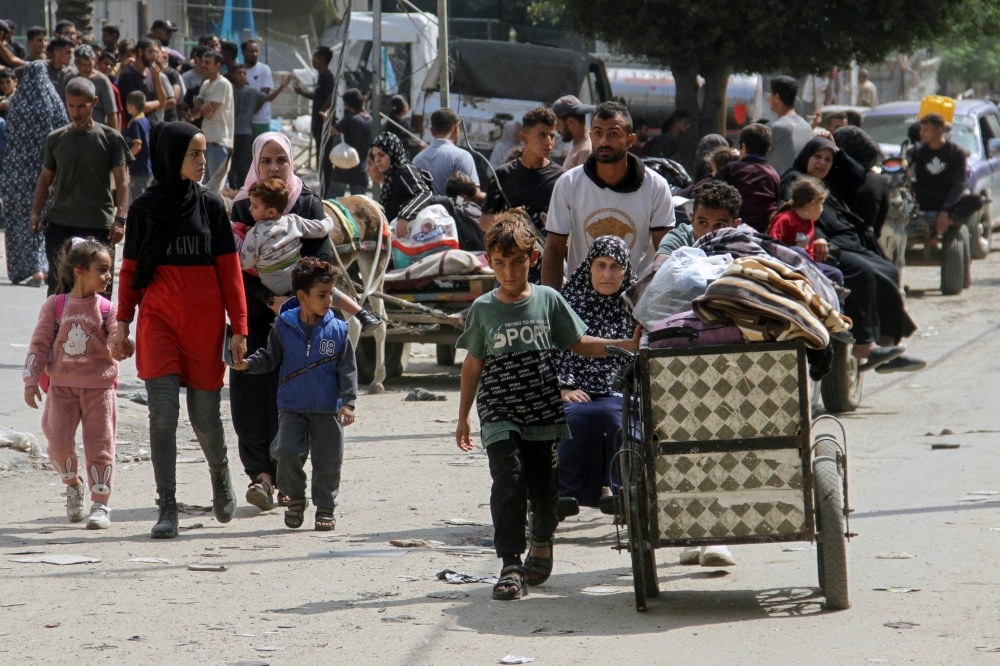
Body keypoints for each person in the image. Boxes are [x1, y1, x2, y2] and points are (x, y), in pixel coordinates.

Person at [455, 213, 637, 601]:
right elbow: (473, 364)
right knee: (509, 481)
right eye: (500, 263)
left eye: (517, 262)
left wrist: (626, 345)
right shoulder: (483, 310)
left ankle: (541, 539)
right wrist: (463, 417)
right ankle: (509, 564)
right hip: (500, 412)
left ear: (533, 258)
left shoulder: (548, 300)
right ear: (489, 261)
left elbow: (579, 342)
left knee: (545, 490)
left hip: (542, 410)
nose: (509, 272)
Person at [229, 131, 379, 510]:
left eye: (281, 159)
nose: (274, 167)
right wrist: (264, 302)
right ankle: (259, 475)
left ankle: (285, 476)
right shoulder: (243, 207)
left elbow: (319, 265)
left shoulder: (308, 203)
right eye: (266, 161)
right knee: (248, 393)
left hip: (299, 318)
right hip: (251, 313)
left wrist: (291, 304)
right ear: (255, 164)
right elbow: (236, 268)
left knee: (290, 396)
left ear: (292, 161)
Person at [114, 121, 247, 539]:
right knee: (163, 416)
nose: (203, 161)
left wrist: (239, 328)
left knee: (206, 418)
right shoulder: (144, 208)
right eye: (195, 153)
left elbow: (230, 273)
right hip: (159, 323)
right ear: (173, 156)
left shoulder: (210, 206)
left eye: (204, 152)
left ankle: (220, 472)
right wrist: (122, 323)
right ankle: (167, 506)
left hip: (204, 327)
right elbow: (131, 271)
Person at [236, 258, 358, 531]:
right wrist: (248, 364)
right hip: (291, 407)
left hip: (328, 409)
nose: (329, 301)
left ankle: (325, 508)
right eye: (322, 295)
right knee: (287, 453)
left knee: (328, 461)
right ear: (302, 296)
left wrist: (348, 403)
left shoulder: (339, 330)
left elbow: (347, 370)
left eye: (331, 294)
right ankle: (295, 500)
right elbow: (269, 358)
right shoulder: (283, 327)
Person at [782, 137, 920, 372]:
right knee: (862, 271)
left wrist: (839, 151)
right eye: (817, 157)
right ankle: (865, 346)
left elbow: (860, 176)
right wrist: (818, 237)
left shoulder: (825, 183)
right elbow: (795, 217)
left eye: (828, 159)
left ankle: (886, 343)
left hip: (847, 240)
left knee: (888, 269)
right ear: (807, 156)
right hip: (822, 244)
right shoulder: (794, 180)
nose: (822, 163)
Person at [23, 238, 127, 530]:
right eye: (102, 270)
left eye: (110, 271)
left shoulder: (107, 308)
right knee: (57, 444)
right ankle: (73, 484)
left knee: (101, 446)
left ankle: (100, 504)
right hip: (61, 389)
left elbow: (115, 339)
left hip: (100, 390)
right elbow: (39, 344)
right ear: (80, 271)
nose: (108, 276)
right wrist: (31, 380)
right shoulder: (55, 306)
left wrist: (123, 344)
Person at [543, 101, 674, 286]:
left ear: (630, 140)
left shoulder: (656, 186)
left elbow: (665, 252)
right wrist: (553, 306)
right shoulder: (568, 183)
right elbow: (554, 250)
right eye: (598, 133)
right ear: (591, 136)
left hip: (635, 299)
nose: (604, 141)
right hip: (581, 298)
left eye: (613, 134)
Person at [555, 236, 637, 508]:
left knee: (616, 419)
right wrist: (563, 387)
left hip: (620, 389)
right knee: (577, 417)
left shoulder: (636, 306)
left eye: (615, 267)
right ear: (588, 267)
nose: (607, 274)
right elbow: (555, 349)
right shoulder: (567, 302)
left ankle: (622, 493)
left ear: (625, 270)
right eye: (600, 265)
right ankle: (568, 494)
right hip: (577, 387)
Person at [30, 77, 132, 296]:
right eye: (71, 105)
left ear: (94, 102)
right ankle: (56, 331)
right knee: (59, 289)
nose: (75, 112)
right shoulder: (55, 139)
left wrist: (120, 218)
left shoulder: (110, 138)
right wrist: (35, 212)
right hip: (61, 224)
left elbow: (123, 181)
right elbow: (45, 180)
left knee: (99, 291)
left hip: (98, 226)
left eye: (81, 106)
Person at [1, 61, 67, 287]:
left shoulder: (17, 101)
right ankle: (45, 267)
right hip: (45, 169)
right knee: (41, 217)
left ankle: (26, 269)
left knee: (19, 220)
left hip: (16, 171)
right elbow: (64, 130)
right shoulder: (52, 100)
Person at [239, 177, 335, 296]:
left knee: (286, 309)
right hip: (298, 274)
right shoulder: (293, 221)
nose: (250, 209)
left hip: (272, 282)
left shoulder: (254, 233)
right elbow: (321, 229)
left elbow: (245, 263)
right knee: (324, 291)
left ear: (271, 212)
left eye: (254, 206)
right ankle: (359, 311)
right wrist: (329, 220)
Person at [481, 107, 565, 240]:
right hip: (512, 255)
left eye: (552, 136)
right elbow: (484, 222)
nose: (548, 142)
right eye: (542, 135)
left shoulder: (561, 178)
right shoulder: (503, 174)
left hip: (547, 256)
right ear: (524, 137)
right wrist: (505, 218)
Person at [655, 180, 745, 264]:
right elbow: (661, 263)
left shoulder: (745, 244)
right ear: (692, 220)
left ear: (735, 225)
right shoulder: (680, 239)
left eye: (719, 225)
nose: (708, 233)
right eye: (703, 223)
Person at [230, 64, 290, 187]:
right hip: (230, 133)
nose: (242, 76)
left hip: (244, 132)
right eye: (238, 73)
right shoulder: (229, 89)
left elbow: (268, 98)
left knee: (243, 164)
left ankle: (242, 188)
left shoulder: (251, 92)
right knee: (230, 165)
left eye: (244, 73)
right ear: (233, 75)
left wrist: (281, 87)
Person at [716, 123, 780, 232]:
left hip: (732, 229)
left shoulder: (731, 169)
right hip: (762, 232)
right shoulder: (773, 174)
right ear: (768, 150)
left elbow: (714, 193)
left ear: (743, 147)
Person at [911, 113, 968, 236]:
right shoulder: (917, 150)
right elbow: (905, 163)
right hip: (924, 197)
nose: (921, 133)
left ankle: (944, 222)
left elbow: (960, 183)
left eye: (926, 130)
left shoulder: (955, 153)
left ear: (938, 132)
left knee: (976, 201)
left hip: (945, 198)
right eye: (921, 129)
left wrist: (945, 211)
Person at [413, 107, 482, 200]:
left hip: (424, 213)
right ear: (456, 128)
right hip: (453, 214)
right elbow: (475, 196)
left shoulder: (417, 159)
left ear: (432, 131)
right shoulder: (461, 156)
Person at [371, 132, 434, 231]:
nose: (377, 160)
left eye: (381, 155)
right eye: (374, 156)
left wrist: (405, 217)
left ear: (392, 153)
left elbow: (424, 193)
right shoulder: (390, 175)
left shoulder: (404, 169)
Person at [293, 45, 335, 193]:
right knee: (320, 159)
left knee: (325, 160)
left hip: (323, 125)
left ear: (322, 60)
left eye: (315, 57)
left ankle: (327, 191)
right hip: (318, 125)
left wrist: (322, 112)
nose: (312, 60)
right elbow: (318, 95)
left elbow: (331, 96)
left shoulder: (328, 77)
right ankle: (324, 188)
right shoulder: (321, 77)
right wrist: (302, 93)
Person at [194, 49, 234, 186]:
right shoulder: (206, 84)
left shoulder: (222, 83)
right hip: (207, 140)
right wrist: (200, 106)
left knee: (218, 185)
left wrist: (201, 107)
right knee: (205, 184)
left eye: (207, 63)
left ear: (217, 66)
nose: (203, 65)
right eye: (203, 62)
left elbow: (209, 110)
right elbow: (197, 106)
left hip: (218, 141)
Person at [328, 88, 372, 197]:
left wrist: (326, 120)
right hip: (361, 169)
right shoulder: (371, 120)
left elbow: (330, 133)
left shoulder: (350, 119)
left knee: (332, 203)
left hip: (344, 166)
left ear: (349, 106)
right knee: (359, 207)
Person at [768, 175, 827, 258]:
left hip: (804, 263)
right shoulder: (785, 219)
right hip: (785, 261)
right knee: (798, 250)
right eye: (821, 204)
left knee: (834, 271)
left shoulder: (809, 222)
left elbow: (809, 254)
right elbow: (772, 244)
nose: (822, 209)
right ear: (812, 204)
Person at [767, 75, 814, 176]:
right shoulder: (807, 127)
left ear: (777, 97)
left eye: (770, 94)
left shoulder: (775, 128)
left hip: (778, 186)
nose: (768, 98)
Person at [116, 38, 164, 125]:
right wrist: (157, 103)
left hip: (153, 126)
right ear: (140, 52)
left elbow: (163, 102)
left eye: (156, 53)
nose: (154, 56)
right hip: (136, 128)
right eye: (151, 52)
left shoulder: (151, 72)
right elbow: (136, 107)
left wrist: (157, 78)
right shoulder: (128, 75)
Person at [73, 45, 117, 129]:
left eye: (89, 64)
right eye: (83, 65)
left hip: (95, 131)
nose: (87, 68)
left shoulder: (102, 81)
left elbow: (111, 113)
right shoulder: (71, 78)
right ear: (76, 63)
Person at [241, 40, 274, 139]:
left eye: (256, 51)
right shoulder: (240, 71)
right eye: (251, 51)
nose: (254, 54)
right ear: (243, 53)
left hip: (260, 121)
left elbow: (263, 97)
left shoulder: (264, 69)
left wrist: (249, 114)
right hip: (242, 123)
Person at [553, 94, 594, 170]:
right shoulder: (579, 144)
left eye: (558, 124)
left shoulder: (586, 151)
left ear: (570, 122)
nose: (556, 129)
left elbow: (582, 181)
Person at [125, 91, 152, 201]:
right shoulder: (145, 120)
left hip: (139, 168)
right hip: (146, 166)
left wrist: (125, 159)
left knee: (139, 199)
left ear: (130, 106)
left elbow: (137, 146)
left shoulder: (136, 123)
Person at [383, 93, 423, 158]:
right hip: (401, 157)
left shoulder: (389, 123)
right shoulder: (403, 124)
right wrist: (419, 145)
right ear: (405, 107)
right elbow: (405, 143)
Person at [44, 36, 77, 102]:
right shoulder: (41, 68)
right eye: (68, 52)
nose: (71, 56)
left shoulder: (71, 73)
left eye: (72, 53)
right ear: (56, 53)